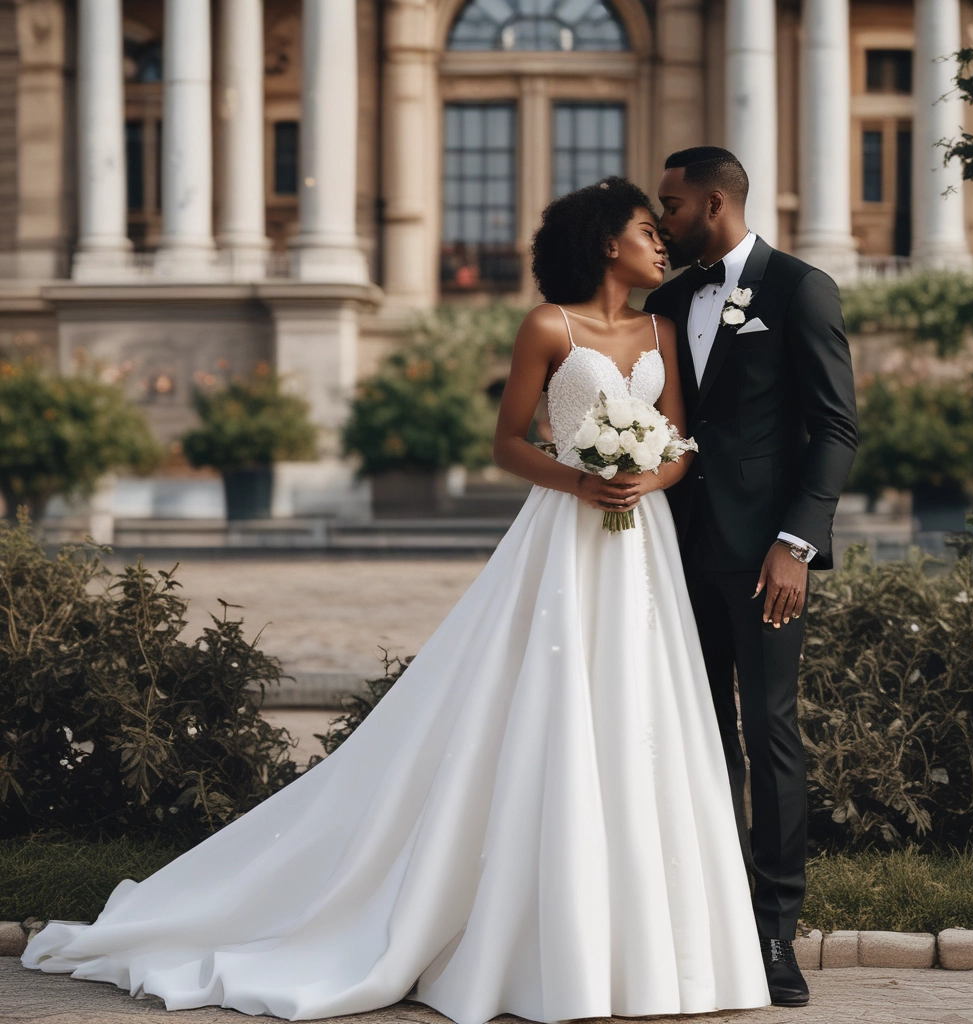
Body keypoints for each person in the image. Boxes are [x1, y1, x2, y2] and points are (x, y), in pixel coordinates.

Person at [23, 178, 769, 1023]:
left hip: (644, 546)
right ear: (607, 242)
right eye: (645, 228)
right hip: (565, 529)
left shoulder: (662, 328)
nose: (660, 243)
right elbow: (507, 442)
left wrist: (648, 475)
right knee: (547, 703)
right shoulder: (545, 327)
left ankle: (645, 950)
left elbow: (679, 441)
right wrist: (581, 479)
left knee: (645, 709)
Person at [644, 147, 859, 1007]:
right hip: (671, 554)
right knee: (697, 733)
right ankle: (709, 911)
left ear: (716, 203)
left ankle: (775, 930)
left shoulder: (799, 289)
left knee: (767, 735)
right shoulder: (664, 300)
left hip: (768, 560)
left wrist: (795, 544)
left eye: (672, 203)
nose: (661, 218)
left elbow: (836, 428)